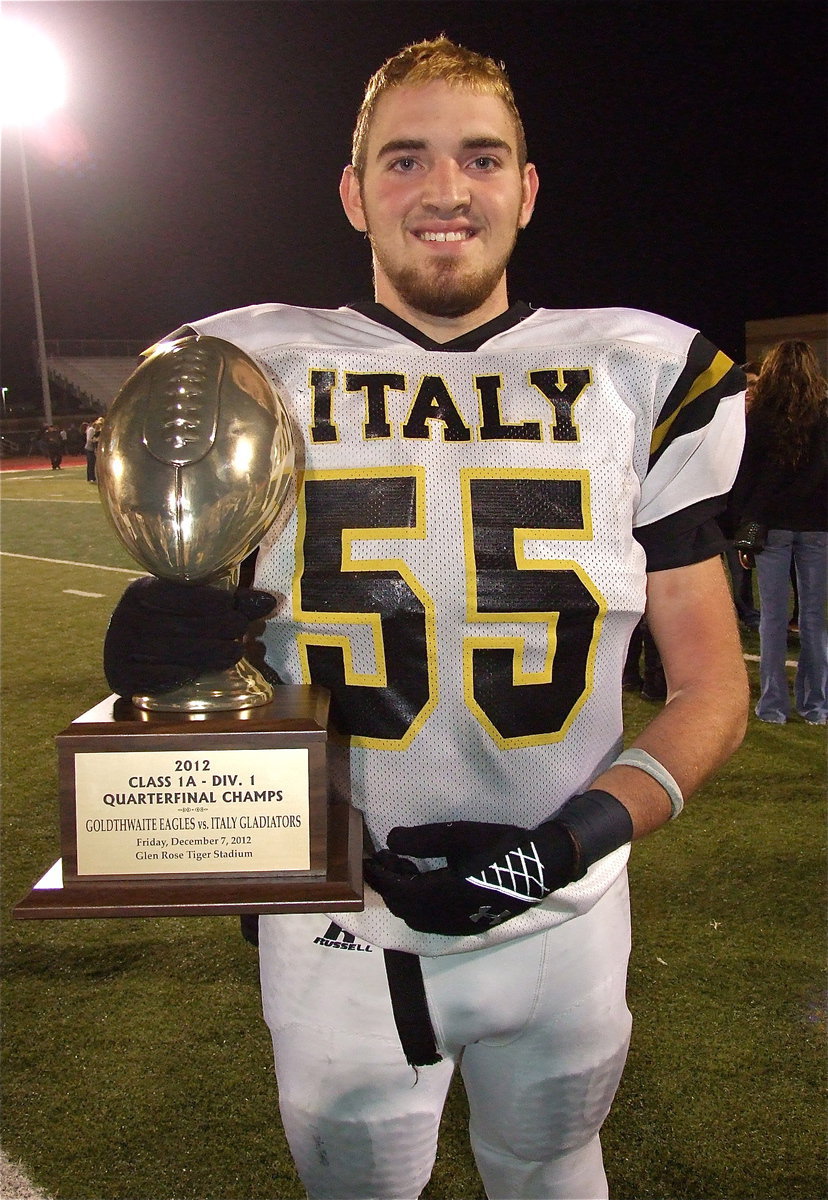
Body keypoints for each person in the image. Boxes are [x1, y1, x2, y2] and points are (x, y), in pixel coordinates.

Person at [103, 38, 748, 1200]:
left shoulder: (641, 374)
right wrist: (164, 663)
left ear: (526, 187)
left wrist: (567, 844)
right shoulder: (255, 367)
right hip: (339, 915)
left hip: (569, 909)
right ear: (355, 194)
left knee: (556, 1174)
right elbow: (202, 675)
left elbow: (712, 688)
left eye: (480, 158)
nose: (445, 191)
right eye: (404, 161)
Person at [729, 339, 828, 725]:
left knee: (772, 619)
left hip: (770, 527)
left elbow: (745, 477)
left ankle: (772, 707)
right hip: (818, 527)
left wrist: (745, 527)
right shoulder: (823, 412)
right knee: (815, 620)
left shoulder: (760, 415)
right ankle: (815, 707)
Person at [722, 362, 761, 628]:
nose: (749, 390)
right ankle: (738, 614)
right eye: (745, 384)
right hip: (721, 510)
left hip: (749, 509)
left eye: (755, 384)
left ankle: (749, 613)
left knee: (743, 570)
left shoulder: (765, 423)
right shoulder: (725, 420)